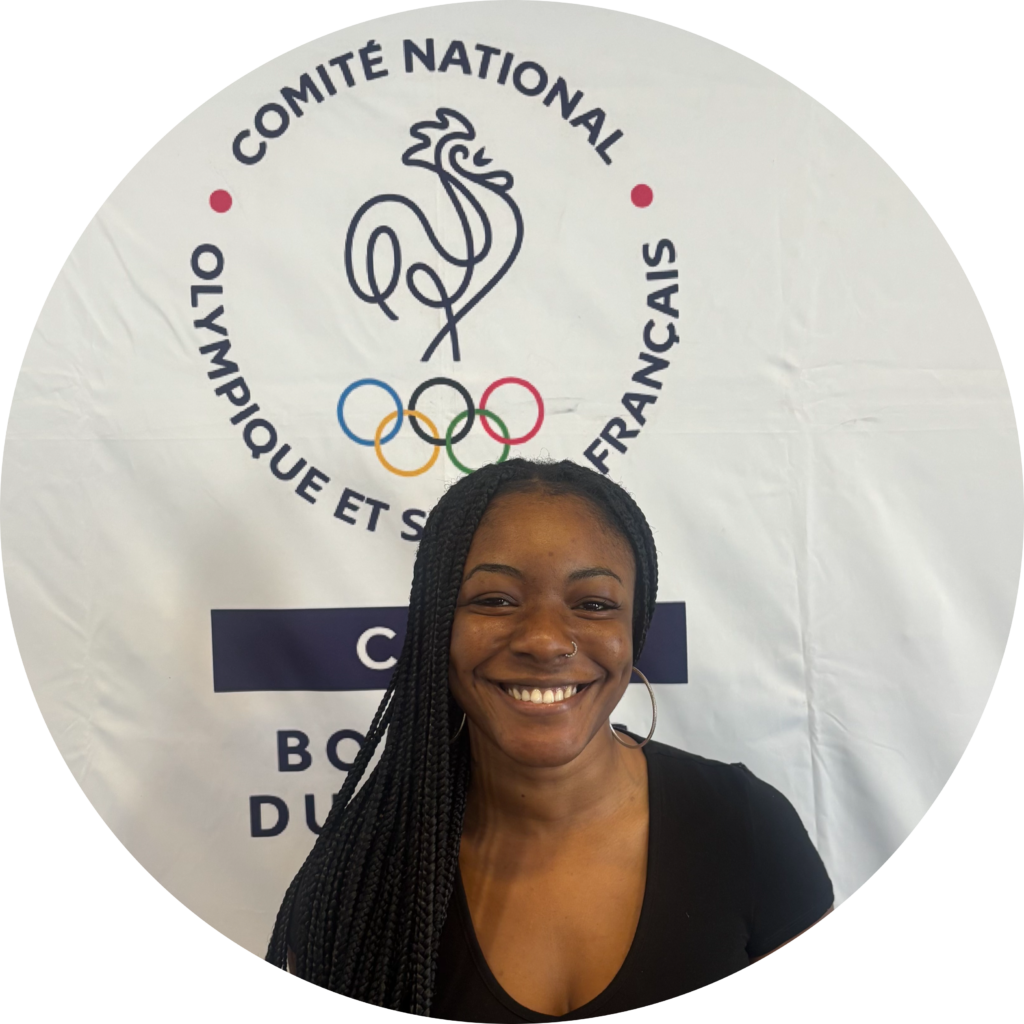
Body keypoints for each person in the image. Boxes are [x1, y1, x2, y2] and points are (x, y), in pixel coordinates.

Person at [267, 458, 833, 1018]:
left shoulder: (744, 827)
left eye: (593, 604)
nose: (544, 641)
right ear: (437, 625)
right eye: (495, 600)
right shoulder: (357, 883)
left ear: (633, 629)